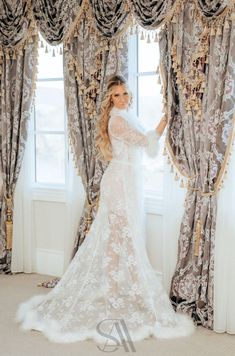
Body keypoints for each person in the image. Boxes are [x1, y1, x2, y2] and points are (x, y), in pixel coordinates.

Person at [15, 75, 194, 344]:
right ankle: (116, 292)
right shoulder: (118, 120)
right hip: (119, 184)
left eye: (124, 93)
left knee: (120, 237)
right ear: (110, 99)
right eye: (116, 95)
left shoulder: (127, 115)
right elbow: (147, 142)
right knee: (119, 237)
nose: (122, 98)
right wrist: (166, 118)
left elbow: (147, 149)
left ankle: (115, 290)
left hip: (128, 183)